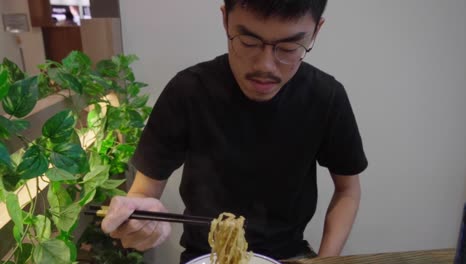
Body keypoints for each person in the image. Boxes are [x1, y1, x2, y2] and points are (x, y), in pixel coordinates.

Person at [101, 1, 368, 263]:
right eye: (248, 42)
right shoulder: (188, 91)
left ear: (316, 30)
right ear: (225, 19)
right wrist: (138, 219)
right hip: (206, 256)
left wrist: (326, 260)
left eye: (288, 47)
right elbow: (143, 194)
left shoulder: (326, 96)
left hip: (291, 255)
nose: (266, 65)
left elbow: (347, 191)